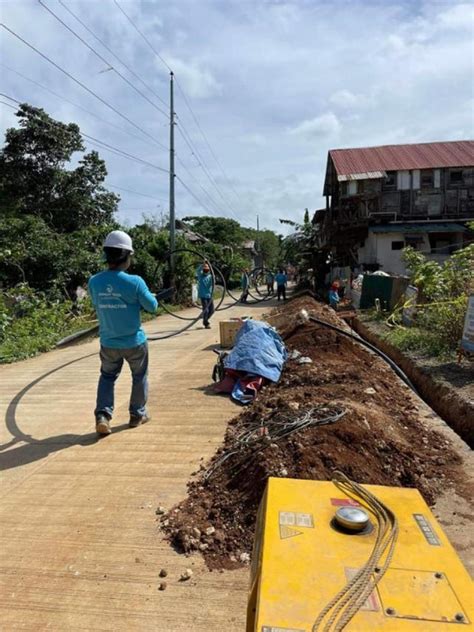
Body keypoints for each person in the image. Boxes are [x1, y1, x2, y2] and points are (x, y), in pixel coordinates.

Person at [88, 230, 158, 436]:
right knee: (139, 376)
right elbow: (152, 307)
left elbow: (98, 303)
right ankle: (137, 414)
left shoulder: (94, 281)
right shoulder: (135, 281)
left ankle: (103, 416)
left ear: (106, 255)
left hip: (108, 342)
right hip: (134, 342)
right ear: (127, 256)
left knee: (107, 377)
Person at [196, 261, 214, 329]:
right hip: (203, 296)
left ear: (209, 269)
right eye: (204, 268)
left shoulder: (211, 276)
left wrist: (209, 266)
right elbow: (198, 270)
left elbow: (213, 283)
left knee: (212, 310)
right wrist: (203, 264)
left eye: (207, 268)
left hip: (209, 295)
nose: (205, 269)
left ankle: (205, 318)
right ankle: (206, 323)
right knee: (206, 310)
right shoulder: (200, 276)